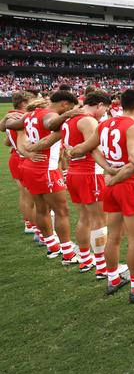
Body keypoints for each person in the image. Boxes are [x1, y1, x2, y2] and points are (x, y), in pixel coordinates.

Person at [70, 89, 134, 302]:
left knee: (114, 236)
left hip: (110, 185)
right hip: (131, 185)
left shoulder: (105, 124)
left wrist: (107, 167)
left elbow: (87, 148)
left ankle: (113, 279)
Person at [6, 90, 83, 263]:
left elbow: (9, 125)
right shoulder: (49, 114)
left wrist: (6, 120)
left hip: (30, 167)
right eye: (69, 108)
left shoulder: (30, 114)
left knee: (42, 209)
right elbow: (50, 124)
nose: (69, 111)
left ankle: (52, 247)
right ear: (64, 104)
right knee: (62, 211)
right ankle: (68, 254)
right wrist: (68, 115)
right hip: (45, 168)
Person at [61, 90, 120, 278]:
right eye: (105, 110)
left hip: (73, 173)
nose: (104, 114)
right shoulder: (88, 120)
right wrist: (109, 167)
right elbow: (93, 149)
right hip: (89, 174)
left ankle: (86, 260)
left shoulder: (69, 120)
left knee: (84, 218)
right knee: (99, 220)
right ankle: (102, 267)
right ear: (100, 105)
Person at [0, 91, 37, 236]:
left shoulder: (11, 115)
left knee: (24, 195)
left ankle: (29, 223)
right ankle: (35, 227)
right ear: (23, 103)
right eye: (32, 101)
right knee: (30, 196)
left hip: (16, 156)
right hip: (23, 156)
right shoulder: (21, 117)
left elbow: (7, 141)